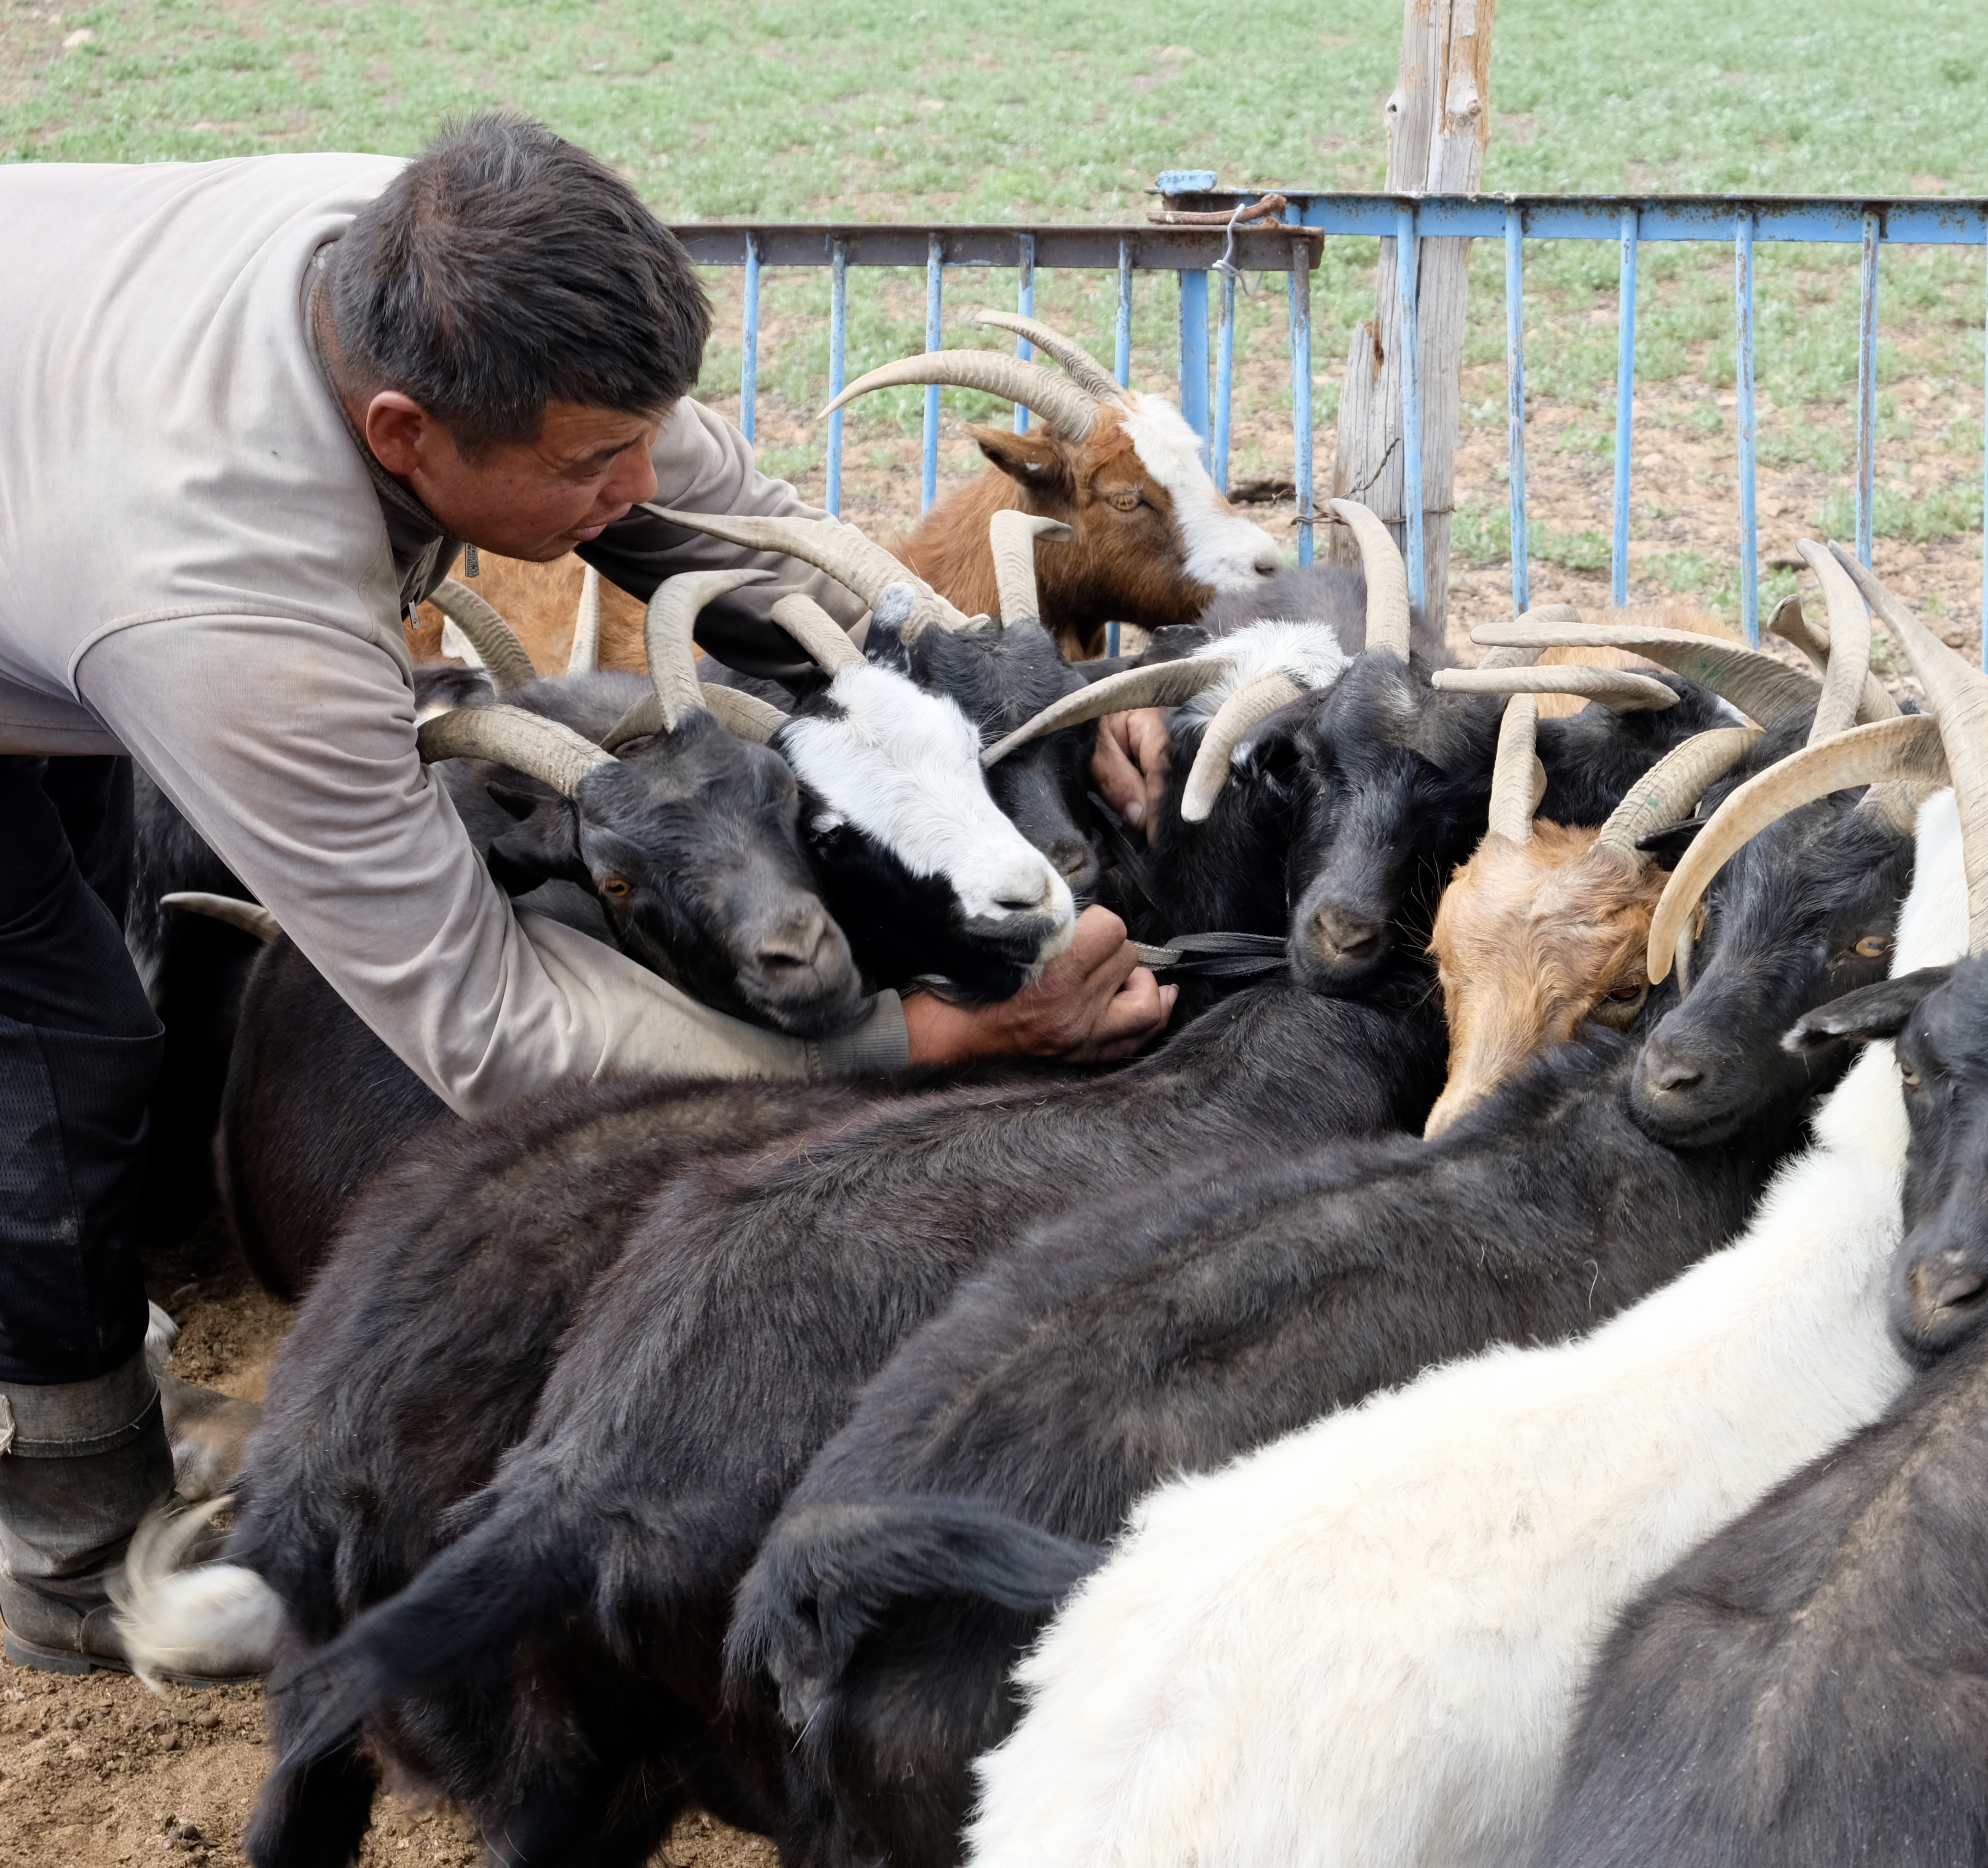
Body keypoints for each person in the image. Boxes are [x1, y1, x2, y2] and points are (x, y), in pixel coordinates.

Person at [0, 116, 1175, 1676]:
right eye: (584, 466)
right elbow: (490, 1028)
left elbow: (729, 533)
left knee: (90, 906)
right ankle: (72, 1537)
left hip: (53, 498)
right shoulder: (234, 611)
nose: (637, 487)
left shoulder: (435, 263)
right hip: (110, 555)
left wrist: (996, 689)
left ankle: (68, 1335)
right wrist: (915, 1044)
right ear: (403, 431)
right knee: (60, 1042)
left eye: (646, 430)